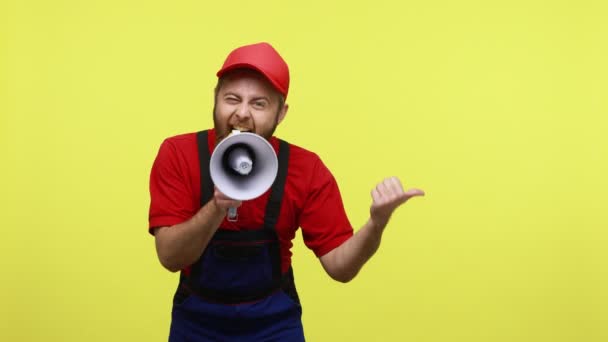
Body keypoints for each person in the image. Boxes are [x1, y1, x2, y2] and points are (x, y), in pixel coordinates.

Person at [148, 42, 425, 341]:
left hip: (274, 324)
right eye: (232, 99)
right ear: (215, 100)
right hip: (197, 322)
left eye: (259, 103)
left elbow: (340, 267)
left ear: (281, 113)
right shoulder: (178, 154)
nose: (241, 113)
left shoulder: (306, 169)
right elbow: (170, 257)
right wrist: (217, 205)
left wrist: (376, 224)